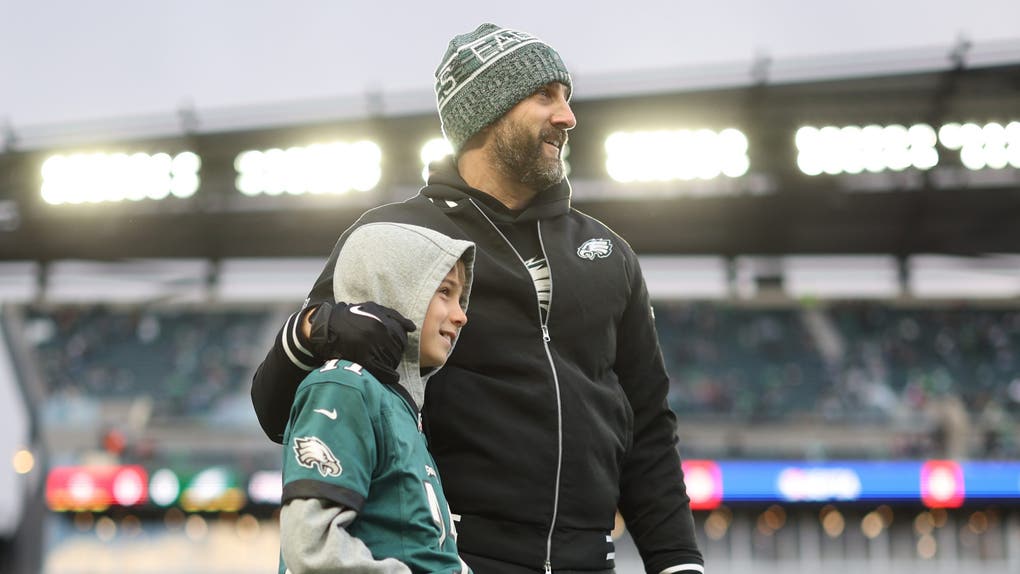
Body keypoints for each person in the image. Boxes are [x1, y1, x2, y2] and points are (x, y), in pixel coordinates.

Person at [253, 23, 705, 574]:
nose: (568, 116)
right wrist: (309, 332)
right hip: (451, 558)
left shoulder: (608, 252)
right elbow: (279, 410)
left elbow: (649, 427)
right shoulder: (393, 240)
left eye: (567, 97)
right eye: (546, 97)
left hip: (589, 560)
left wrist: (679, 563)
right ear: (488, 113)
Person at [278, 222, 475, 574]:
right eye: (444, 291)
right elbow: (313, 551)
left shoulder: (396, 404)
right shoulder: (344, 387)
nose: (461, 315)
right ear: (395, 287)